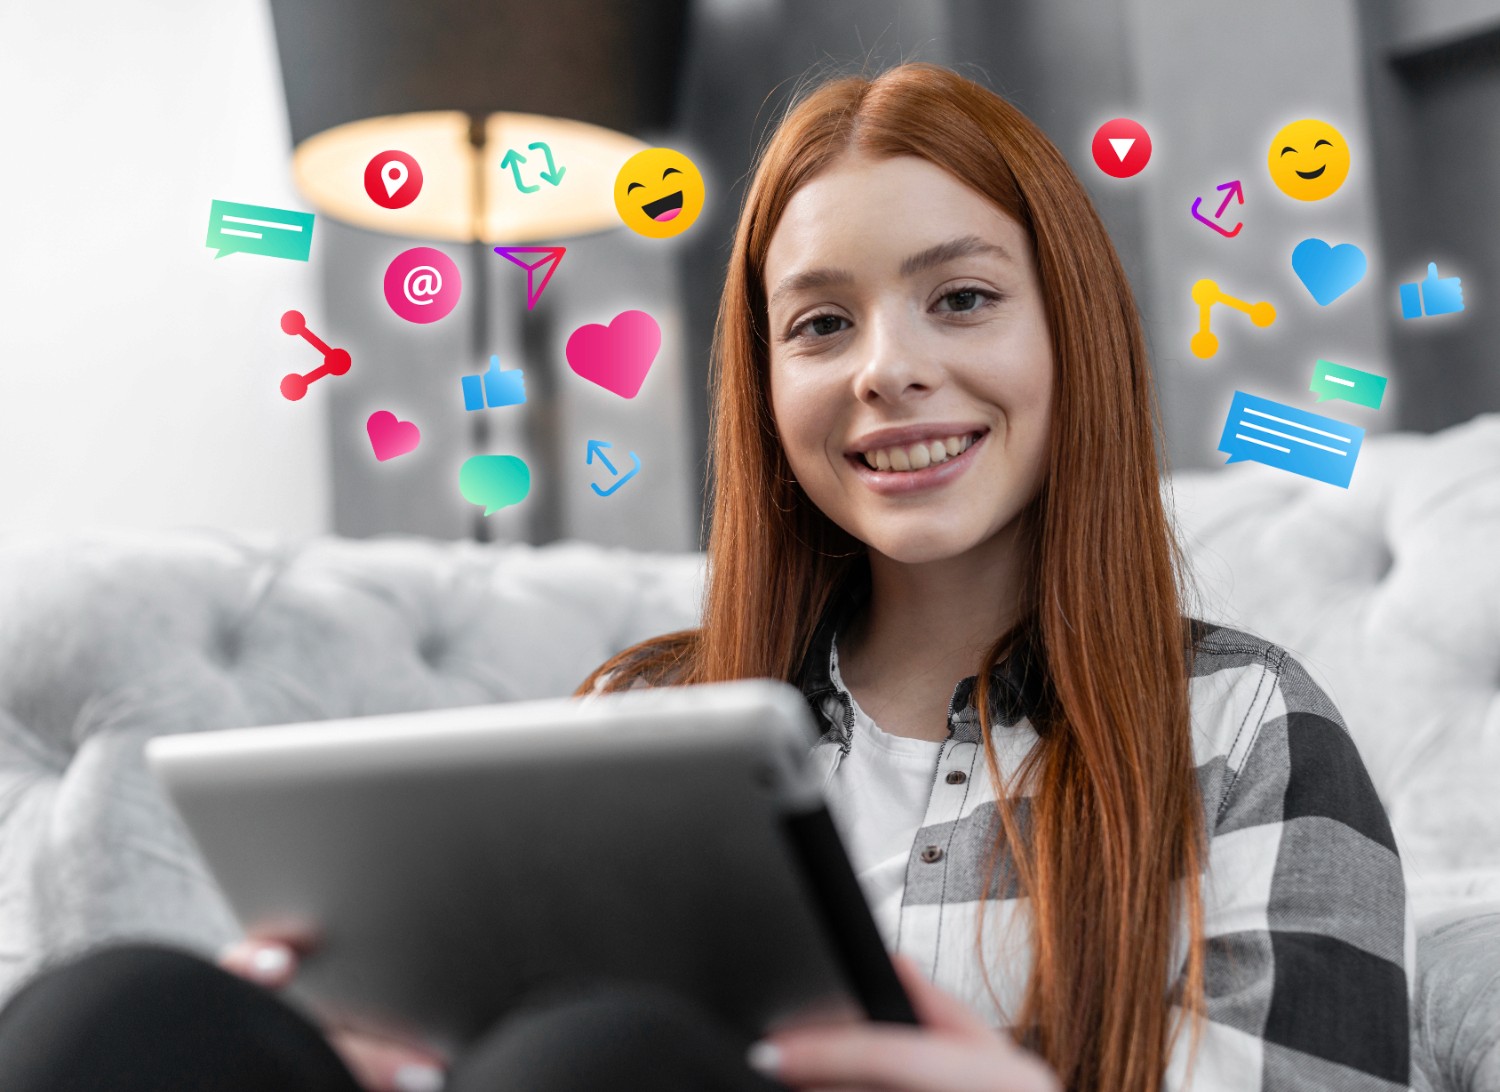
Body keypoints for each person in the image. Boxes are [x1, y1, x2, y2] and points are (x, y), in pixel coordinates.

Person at [0, 62, 1410, 1092]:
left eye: (962, 297)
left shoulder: (1240, 732)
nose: (887, 366)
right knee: (121, 1016)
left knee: (599, 1062)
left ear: (1074, 338)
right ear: (764, 386)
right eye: (819, 324)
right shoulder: (647, 713)